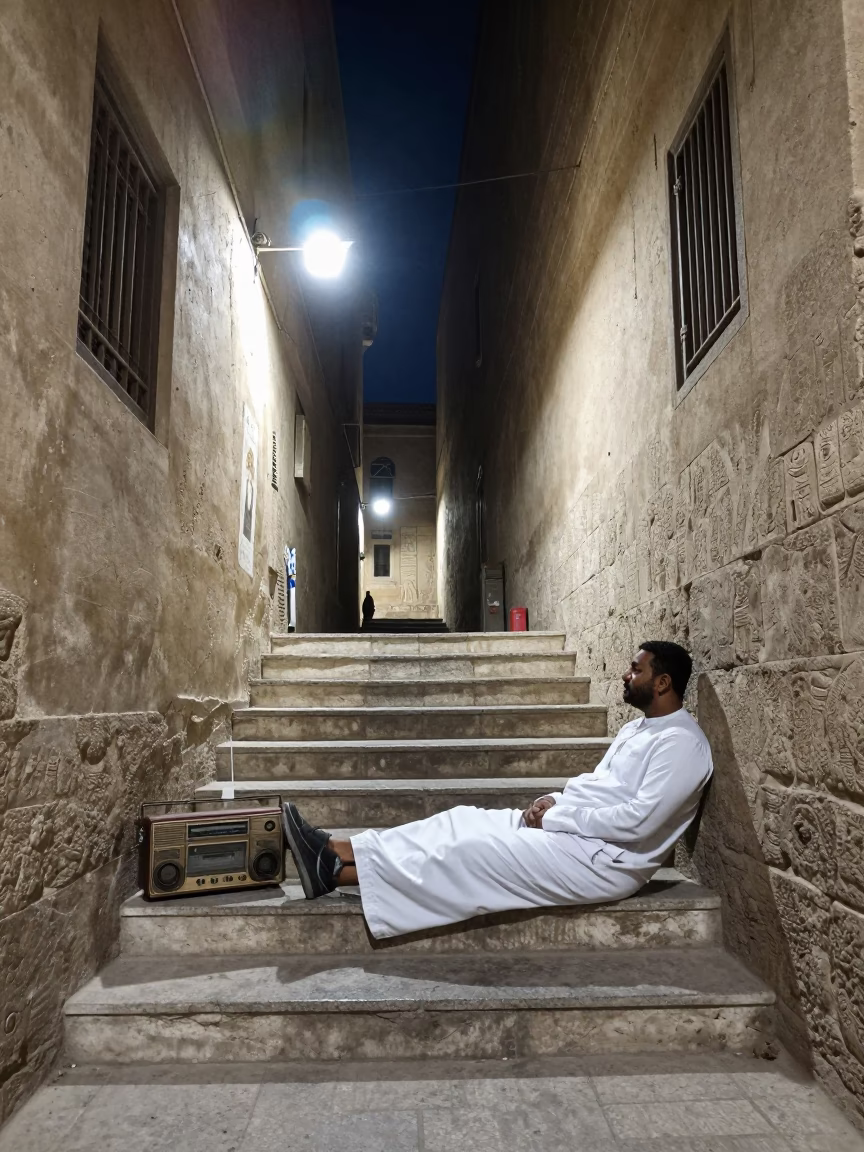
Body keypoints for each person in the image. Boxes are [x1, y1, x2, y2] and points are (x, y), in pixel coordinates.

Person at [281, 640, 713, 939]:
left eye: (636, 669)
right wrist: (554, 801)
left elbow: (641, 821)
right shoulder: (639, 728)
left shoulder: (684, 745)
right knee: (457, 822)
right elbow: (598, 788)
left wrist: (556, 817)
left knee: (470, 853)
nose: (626, 674)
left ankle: (336, 873)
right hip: (577, 834)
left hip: (607, 862)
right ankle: (338, 849)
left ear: (662, 683)